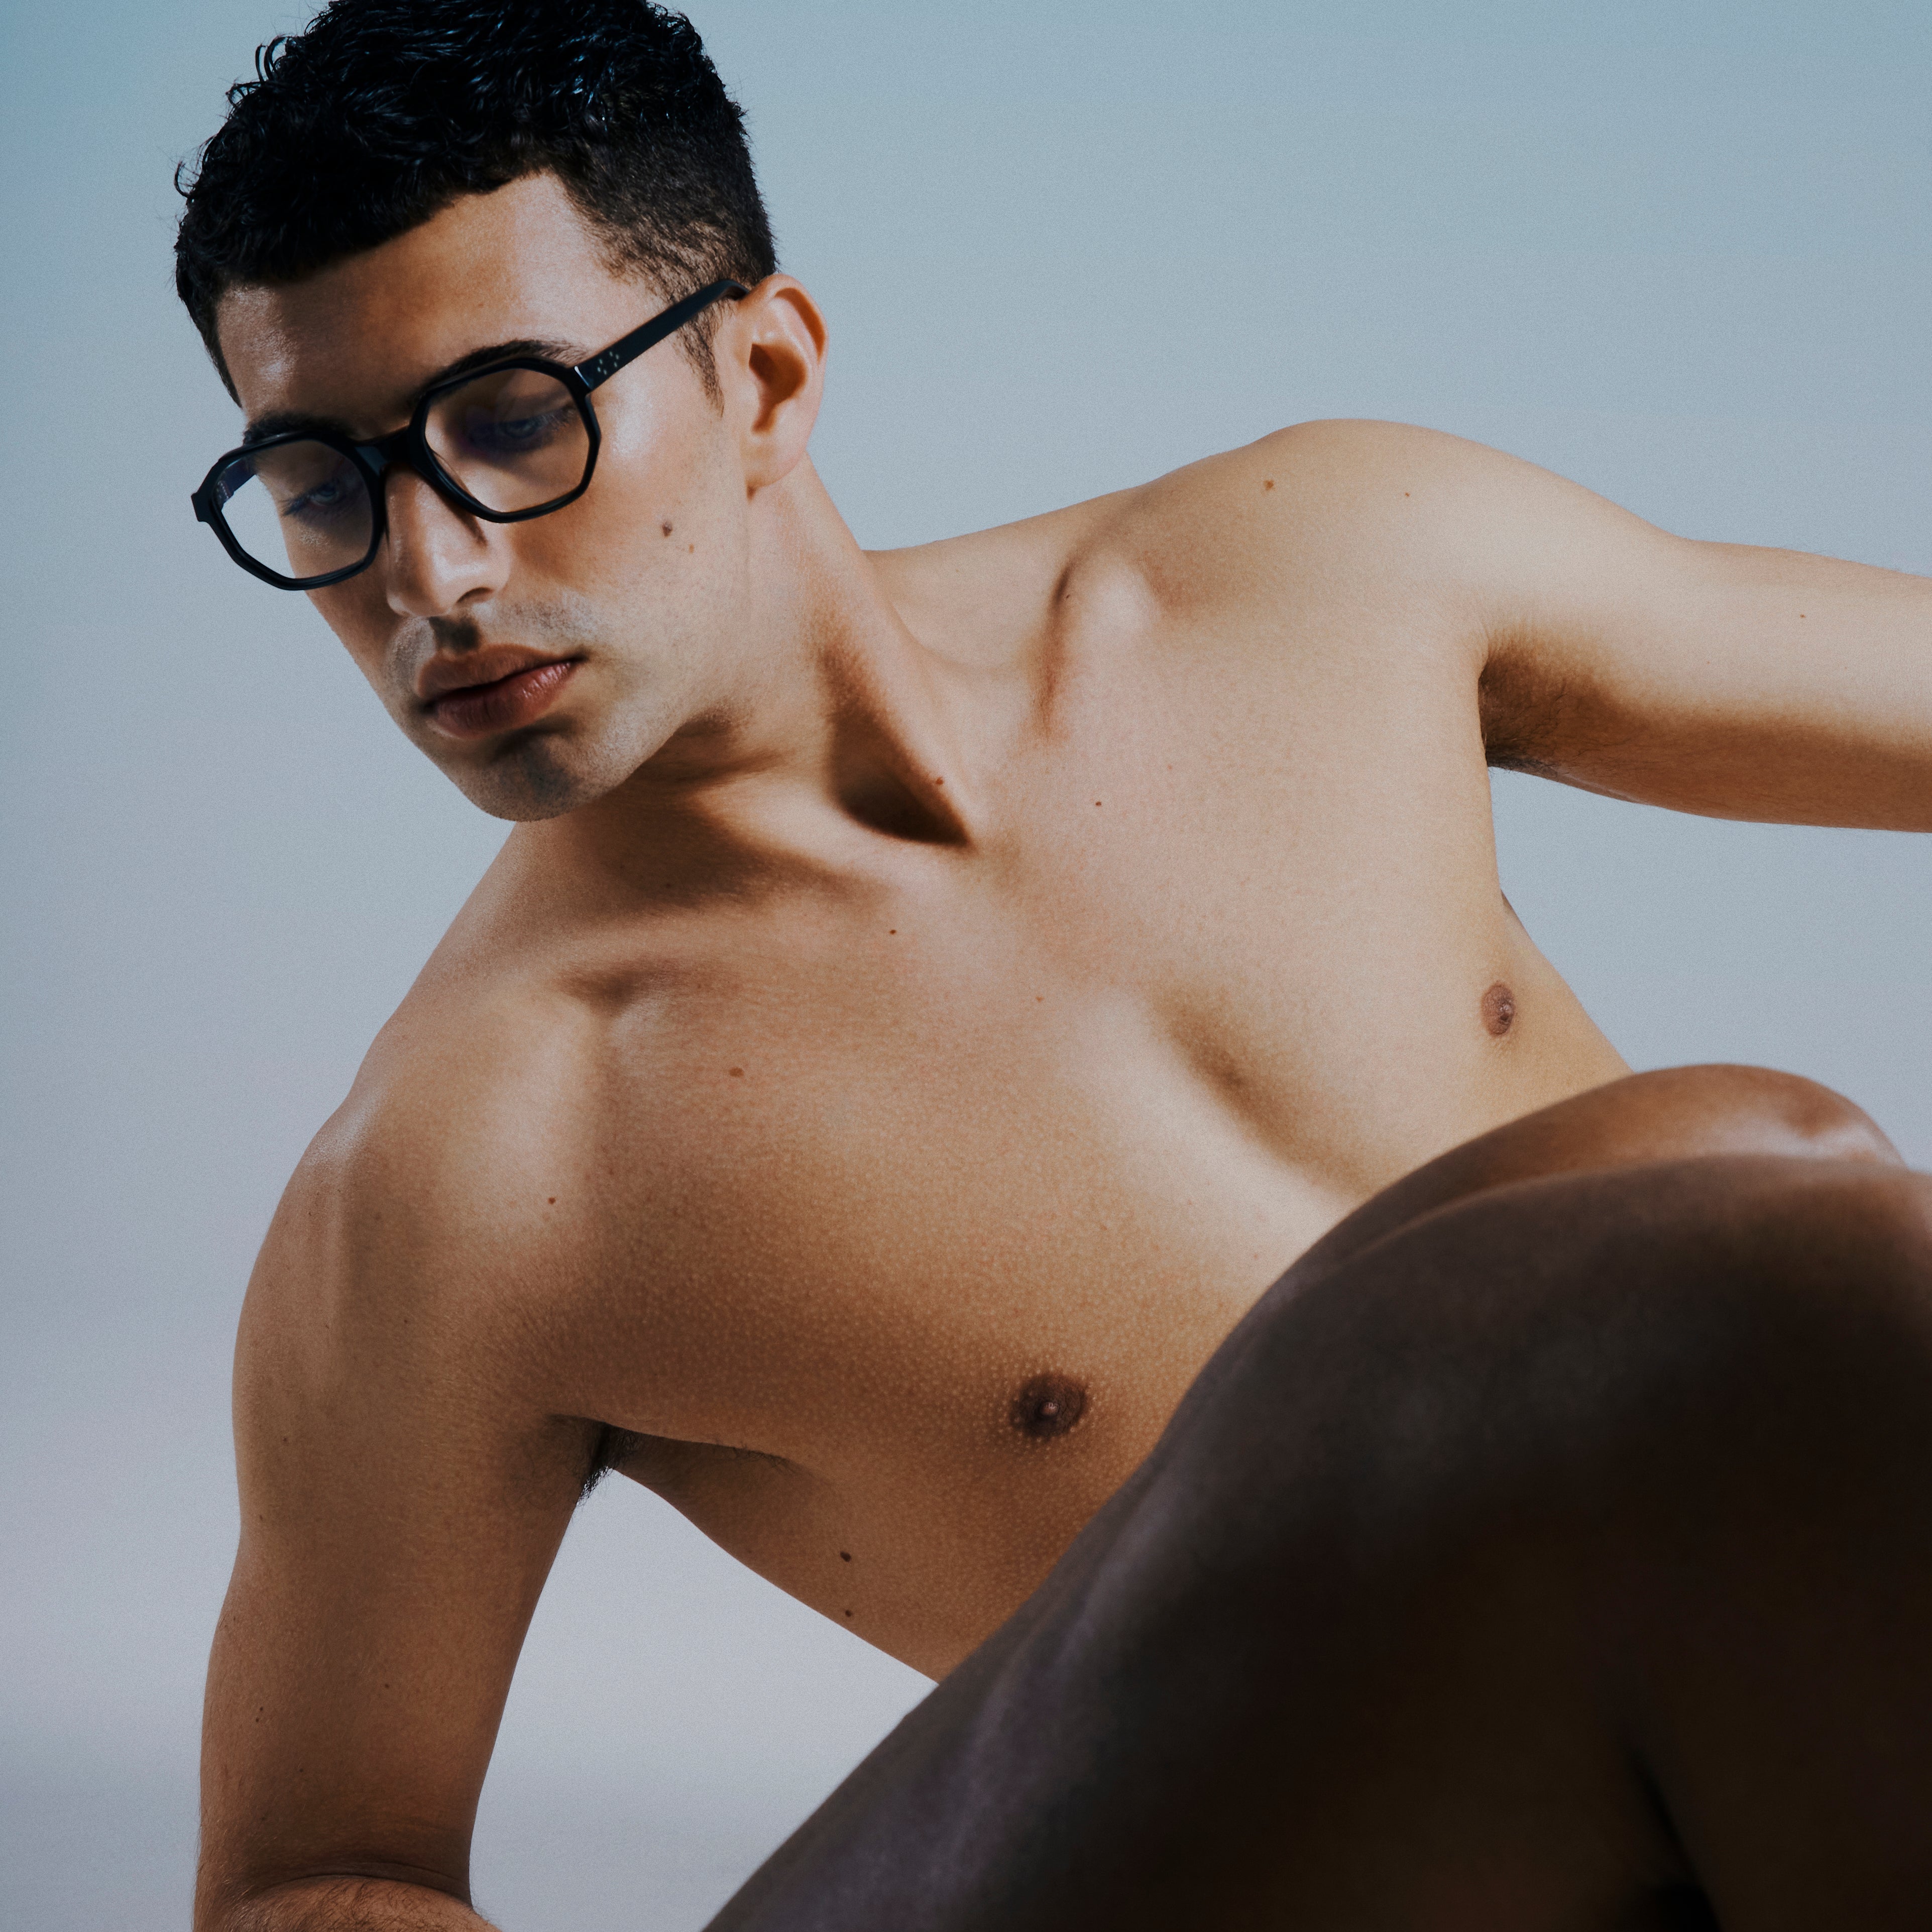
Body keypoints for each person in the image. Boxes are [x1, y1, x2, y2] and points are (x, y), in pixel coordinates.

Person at [173, 4, 1932, 1927]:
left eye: (513, 421)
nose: (431, 578)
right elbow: (313, 1874)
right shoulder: (471, 1168)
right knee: (1740, 1218)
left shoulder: (1324, 578)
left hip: (1732, 1770)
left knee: (1735, 1184)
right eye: (321, 486)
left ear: (766, 377)